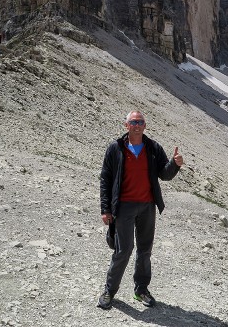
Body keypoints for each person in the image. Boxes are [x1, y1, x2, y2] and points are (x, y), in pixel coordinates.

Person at [98, 110, 184, 310]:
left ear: (145, 126)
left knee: (145, 250)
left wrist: (174, 164)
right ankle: (109, 290)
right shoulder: (115, 148)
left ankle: (141, 289)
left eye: (140, 122)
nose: (137, 125)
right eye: (133, 122)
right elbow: (106, 179)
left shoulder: (153, 148)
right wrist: (105, 209)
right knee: (124, 250)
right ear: (126, 125)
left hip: (147, 206)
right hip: (124, 207)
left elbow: (164, 174)